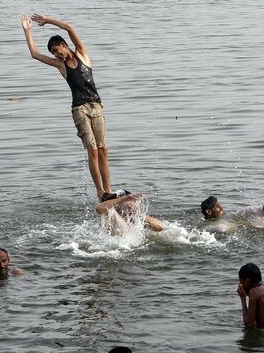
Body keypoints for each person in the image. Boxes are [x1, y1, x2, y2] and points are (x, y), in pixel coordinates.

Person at [20, 13, 112, 201]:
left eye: (56, 50)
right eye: (53, 53)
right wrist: (27, 31)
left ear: (64, 44)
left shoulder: (82, 54)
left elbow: (69, 27)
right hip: (80, 110)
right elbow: (35, 54)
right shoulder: (60, 66)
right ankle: (100, 192)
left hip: (96, 107)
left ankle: (109, 191)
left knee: (103, 150)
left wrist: (47, 20)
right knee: (93, 150)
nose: (56, 55)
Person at [237, 263, 264, 329]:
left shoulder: (254, 292)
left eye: (241, 281)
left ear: (247, 281)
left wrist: (242, 298)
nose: (240, 284)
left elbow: (248, 325)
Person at [95, 191, 165, 234]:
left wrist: (139, 215)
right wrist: (122, 199)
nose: (132, 203)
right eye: (129, 199)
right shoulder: (112, 214)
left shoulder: (138, 219)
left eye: (133, 200)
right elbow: (99, 208)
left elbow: (160, 227)